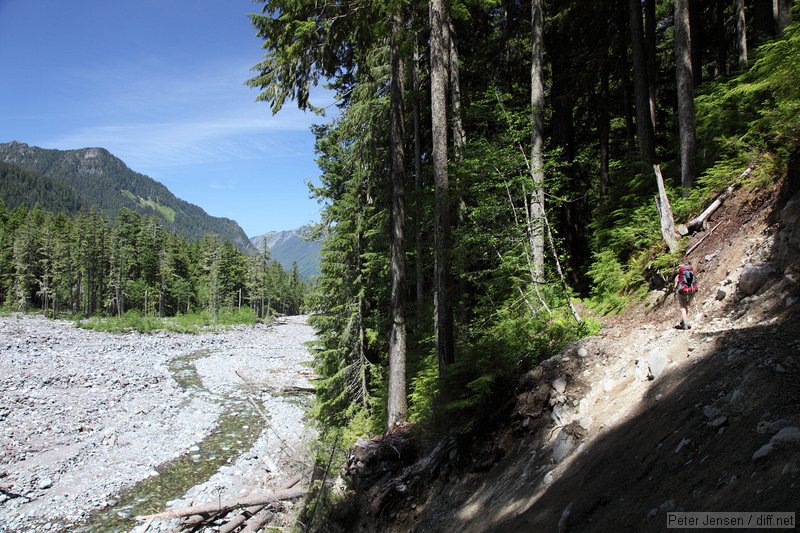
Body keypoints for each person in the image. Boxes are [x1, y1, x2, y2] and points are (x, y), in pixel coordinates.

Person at [674, 262, 697, 330]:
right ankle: (684, 320)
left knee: (683, 308)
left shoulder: (678, 277)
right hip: (692, 291)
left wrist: (675, 289)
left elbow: (675, 286)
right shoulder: (691, 274)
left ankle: (685, 324)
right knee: (687, 305)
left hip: (682, 291)